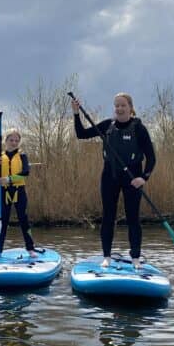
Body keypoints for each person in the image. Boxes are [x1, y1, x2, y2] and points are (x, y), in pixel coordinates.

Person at [72, 92, 156, 269]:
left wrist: (144, 178)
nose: (119, 108)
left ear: (130, 108)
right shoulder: (107, 125)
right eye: (116, 105)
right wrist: (76, 113)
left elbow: (151, 157)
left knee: (133, 218)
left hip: (133, 178)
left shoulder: (138, 128)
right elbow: (81, 134)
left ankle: (135, 258)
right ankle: (107, 257)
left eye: (123, 105)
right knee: (108, 217)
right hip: (109, 176)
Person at [0, 129, 37, 256]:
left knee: (23, 219)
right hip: (4, 192)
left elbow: (25, 172)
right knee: (2, 221)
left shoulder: (22, 156)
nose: (14, 143)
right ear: (6, 141)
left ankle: (30, 248)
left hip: (18, 191)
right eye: (11, 140)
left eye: (17, 140)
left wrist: (8, 179)